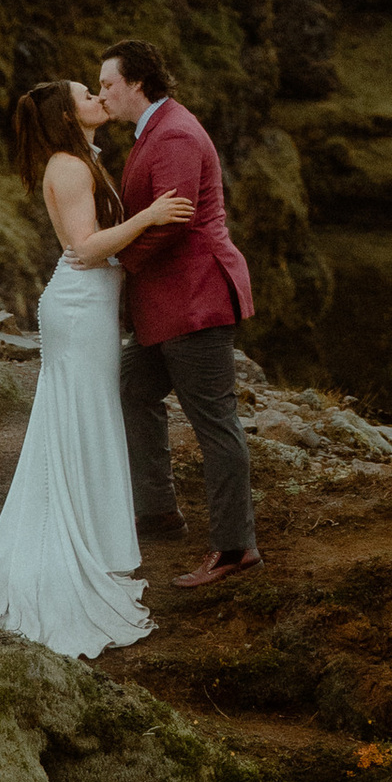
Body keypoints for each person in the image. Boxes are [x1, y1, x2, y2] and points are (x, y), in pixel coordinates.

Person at [0, 77, 193, 654]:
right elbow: (87, 248)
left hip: (91, 308)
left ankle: (94, 540)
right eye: (86, 95)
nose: (99, 99)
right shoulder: (69, 168)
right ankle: (75, 545)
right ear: (67, 115)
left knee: (88, 415)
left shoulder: (79, 160)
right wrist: (150, 215)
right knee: (82, 414)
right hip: (78, 308)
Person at [97, 38, 261, 589]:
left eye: (108, 85)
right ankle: (158, 511)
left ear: (137, 83)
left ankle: (236, 547)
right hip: (169, 306)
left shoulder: (173, 133)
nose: (103, 95)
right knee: (130, 389)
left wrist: (118, 262)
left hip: (197, 300)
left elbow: (174, 220)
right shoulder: (155, 129)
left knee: (215, 424)